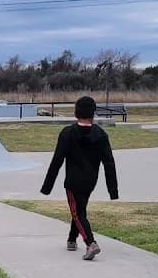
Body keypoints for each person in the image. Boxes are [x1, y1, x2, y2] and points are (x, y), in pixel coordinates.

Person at [40, 96, 119, 260]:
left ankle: (91, 243)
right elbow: (109, 163)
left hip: (73, 182)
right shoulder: (101, 135)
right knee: (79, 209)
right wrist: (113, 190)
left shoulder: (67, 133)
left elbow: (57, 160)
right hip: (90, 181)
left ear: (76, 112)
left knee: (77, 213)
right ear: (93, 113)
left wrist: (47, 187)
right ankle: (71, 239)